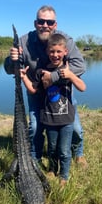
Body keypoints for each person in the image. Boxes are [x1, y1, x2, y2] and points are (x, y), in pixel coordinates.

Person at [4, 5, 87, 168]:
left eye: (50, 22)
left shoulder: (65, 41)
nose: (45, 25)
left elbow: (80, 66)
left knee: (75, 127)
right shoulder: (23, 41)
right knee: (35, 127)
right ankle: (36, 157)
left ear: (55, 25)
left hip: (61, 92)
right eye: (41, 21)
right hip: (36, 92)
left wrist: (53, 77)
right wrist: (11, 60)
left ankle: (78, 153)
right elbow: (9, 70)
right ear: (35, 23)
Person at [20, 33, 86, 186]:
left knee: (64, 151)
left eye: (58, 52)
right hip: (49, 119)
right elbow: (33, 90)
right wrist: (24, 77)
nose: (55, 55)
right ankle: (51, 169)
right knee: (51, 149)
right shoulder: (42, 72)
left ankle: (64, 176)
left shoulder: (67, 69)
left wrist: (71, 75)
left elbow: (82, 87)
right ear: (47, 52)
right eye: (52, 51)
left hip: (66, 120)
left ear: (65, 52)